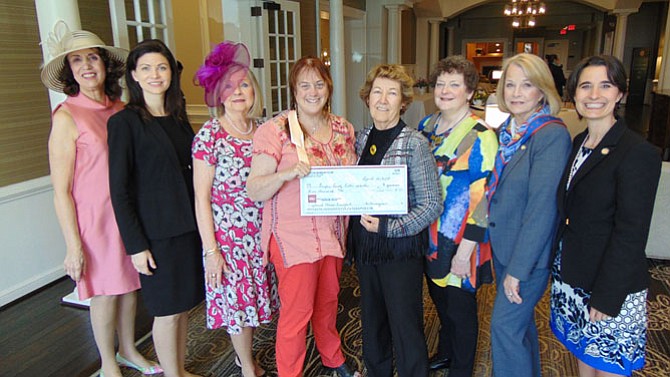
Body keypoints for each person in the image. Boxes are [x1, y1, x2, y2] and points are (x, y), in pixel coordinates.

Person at [40, 22, 161, 377]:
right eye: (76, 61)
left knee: (129, 285)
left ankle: (128, 350)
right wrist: (72, 245)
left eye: (92, 57)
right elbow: (60, 189)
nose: (86, 65)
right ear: (70, 71)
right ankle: (108, 362)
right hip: (94, 221)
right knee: (105, 292)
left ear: (106, 64)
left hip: (127, 213)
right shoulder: (66, 116)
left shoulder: (121, 109)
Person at [246, 56, 361, 377]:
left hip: (333, 233)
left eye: (319, 84)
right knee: (297, 314)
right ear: (293, 90)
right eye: (304, 85)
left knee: (327, 304)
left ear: (329, 88)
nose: (313, 91)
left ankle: (332, 357)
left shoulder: (343, 128)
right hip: (292, 237)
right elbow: (254, 189)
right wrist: (285, 175)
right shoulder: (276, 130)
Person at [550, 55, 661, 377]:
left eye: (605, 85)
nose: (594, 95)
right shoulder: (579, 143)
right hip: (575, 275)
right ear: (574, 93)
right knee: (584, 356)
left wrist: (607, 296)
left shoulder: (637, 152)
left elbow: (631, 233)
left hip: (610, 286)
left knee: (608, 367)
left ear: (620, 94)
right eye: (586, 86)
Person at [108, 39, 204, 377]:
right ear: (133, 75)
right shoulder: (124, 123)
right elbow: (119, 191)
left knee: (182, 309)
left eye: (161, 67)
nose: (155, 74)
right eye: (146, 68)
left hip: (187, 228)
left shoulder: (178, 117)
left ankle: (176, 368)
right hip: (156, 234)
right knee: (165, 311)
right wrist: (136, 246)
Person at [348, 64, 442, 377]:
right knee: (372, 320)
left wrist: (390, 227)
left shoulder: (414, 143)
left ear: (403, 101)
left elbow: (431, 205)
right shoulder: (360, 140)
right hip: (367, 249)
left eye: (392, 93)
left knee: (405, 324)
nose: (383, 99)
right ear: (367, 98)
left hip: (400, 251)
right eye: (378, 92)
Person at [192, 41, 278, 377]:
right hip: (228, 240)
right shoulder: (210, 135)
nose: (238, 91)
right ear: (218, 93)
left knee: (255, 302)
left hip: (263, 234)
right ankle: (246, 368)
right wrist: (212, 251)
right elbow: (201, 198)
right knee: (238, 306)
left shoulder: (265, 131)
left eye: (244, 84)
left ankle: (247, 358)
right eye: (229, 85)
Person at [487, 53, 571, 377]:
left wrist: (518, 270)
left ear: (543, 91)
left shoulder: (550, 135)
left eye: (527, 85)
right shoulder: (507, 133)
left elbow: (542, 209)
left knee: (504, 329)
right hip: (505, 247)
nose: (517, 92)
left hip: (528, 258)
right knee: (519, 327)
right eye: (510, 84)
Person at [418, 56, 498, 376]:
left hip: (462, 239)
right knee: (439, 300)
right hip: (429, 234)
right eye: (440, 83)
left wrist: (465, 252)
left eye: (454, 84)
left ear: (469, 92)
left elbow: (484, 201)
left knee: (461, 310)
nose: (445, 90)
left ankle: (462, 368)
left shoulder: (481, 135)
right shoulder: (425, 127)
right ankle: (447, 352)